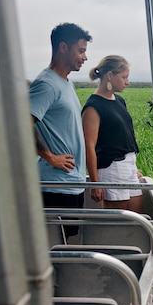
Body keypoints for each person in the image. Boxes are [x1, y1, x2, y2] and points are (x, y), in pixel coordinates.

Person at [30, 22, 92, 212]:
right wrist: (49, 157)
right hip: (56, 186)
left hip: (71, 183)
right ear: (63, 48)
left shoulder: (65, 82)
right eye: (81, 51)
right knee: (58, 241)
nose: (85, 57)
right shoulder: (46, 84)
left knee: (68, 240)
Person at [81, 55, 143, 213]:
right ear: (110, 76)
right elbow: (89, 147)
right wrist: (95, 183)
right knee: (117, 221)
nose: (127, 82)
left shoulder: (119, 100)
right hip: (112, 168)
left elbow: (122, 138)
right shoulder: (93, 107)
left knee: (137, 214)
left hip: (128, 165)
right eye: (124, 77)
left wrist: (132, 167)